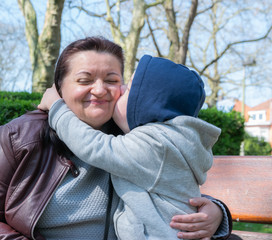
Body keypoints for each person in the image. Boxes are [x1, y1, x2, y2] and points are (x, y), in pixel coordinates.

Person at [0, 37, 231, 240]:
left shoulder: (133, 136)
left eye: (112, 80)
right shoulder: (22, 136)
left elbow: (171, 190)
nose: (99, 90)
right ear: (59, 88)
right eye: (84, 79)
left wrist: (216, 214)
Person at [38, 54, 223, 239]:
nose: (120, 89)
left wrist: (57, 107)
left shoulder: (155, 145)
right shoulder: (173, 141)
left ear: (145, 106)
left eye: (129, 89)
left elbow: (94, 146)